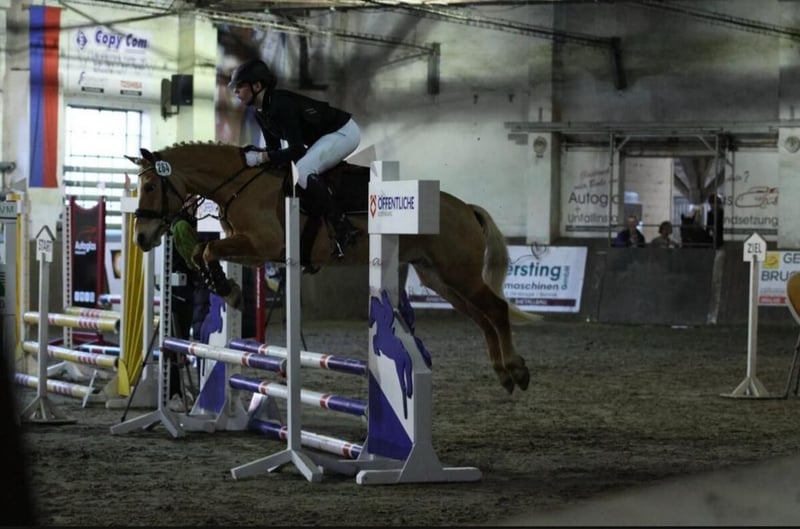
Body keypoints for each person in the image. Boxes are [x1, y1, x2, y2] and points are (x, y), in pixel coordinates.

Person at [228, 58, 361, 257]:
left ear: (257, 86)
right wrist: (258, 157)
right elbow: (274, 150)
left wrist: (261, 158)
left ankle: (344, 227)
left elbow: (297, 150)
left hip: (343, 132)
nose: (236, 91)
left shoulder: (280, 104)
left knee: (303, 170)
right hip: (325, 137)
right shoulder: (260, 112)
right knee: (294, 173)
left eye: (240, 86)